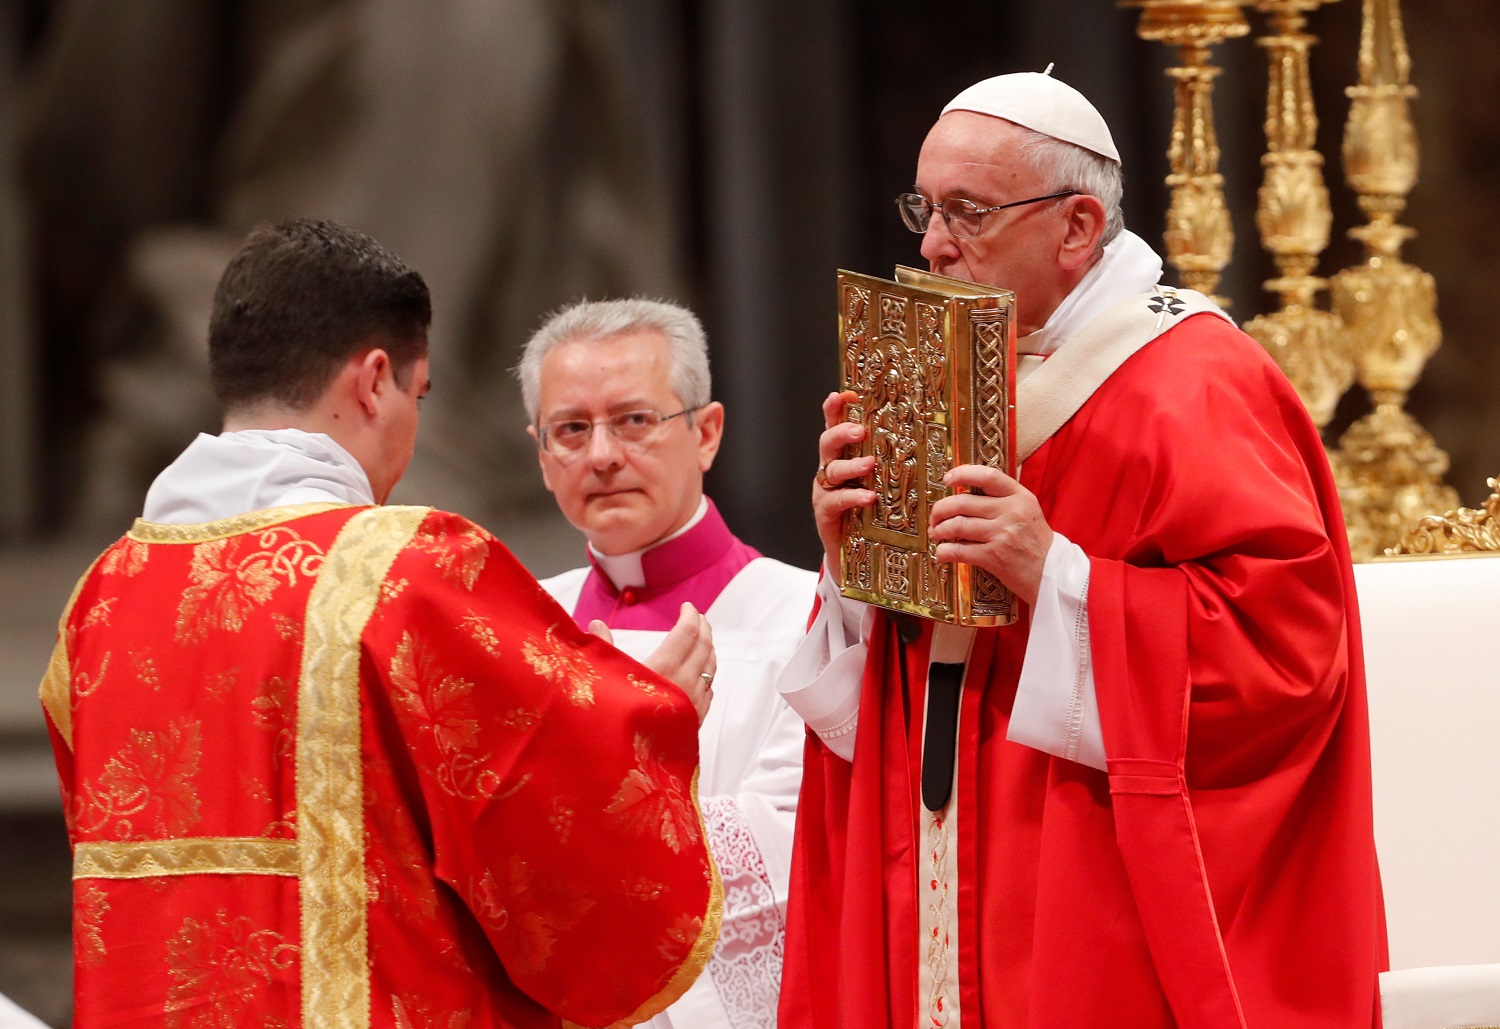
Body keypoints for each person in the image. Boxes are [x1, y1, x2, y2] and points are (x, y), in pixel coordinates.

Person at [777, 72, 1386, 1028]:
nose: (933, 244)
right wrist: (852, 558)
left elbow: (1289, 659)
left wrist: (1052, 572)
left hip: (1082, 868)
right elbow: (878, 669)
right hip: (932, 850)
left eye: (967, 213)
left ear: (1077, 226)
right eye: (924, 208)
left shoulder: (1193, 383)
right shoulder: (940, 360)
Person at [38, 219, 722, 1029]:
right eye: (418, 392)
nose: (413, 423)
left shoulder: (103, 599)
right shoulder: (404, 569)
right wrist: (647, 723)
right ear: (372, 381)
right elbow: (552, 845)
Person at [518, 298, 815, 1029]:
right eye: (571, 429)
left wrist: (631, 753)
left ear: (706, 432)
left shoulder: (804, 616)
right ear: (541, 455)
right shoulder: (519, 627)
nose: (602, 455)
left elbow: (796, 848)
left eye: (634, 420)